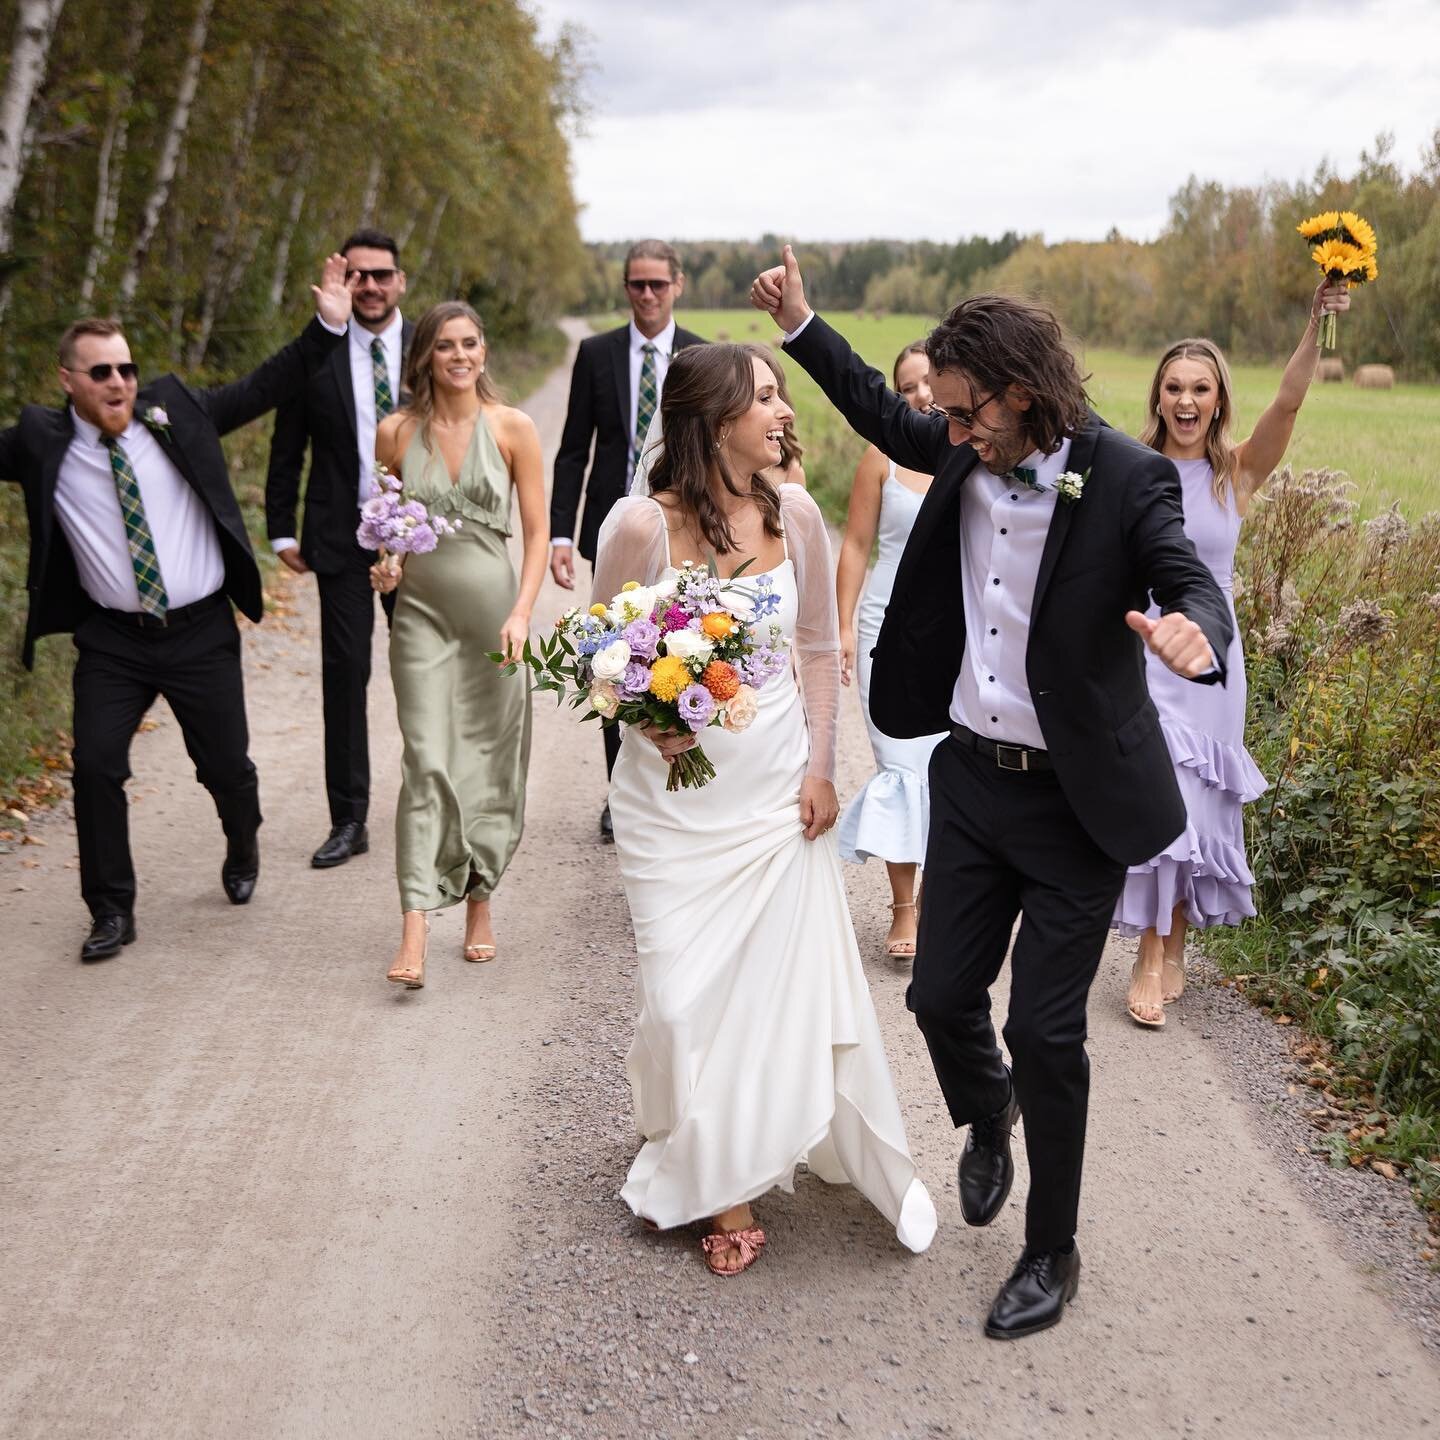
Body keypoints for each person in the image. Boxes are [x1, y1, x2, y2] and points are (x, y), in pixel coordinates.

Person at [752, 247, 1230, 1337]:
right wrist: (801, 322)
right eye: (948, 415)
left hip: (1076, 808)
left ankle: (1051, 1251)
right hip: (971, 778)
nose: (950, 431)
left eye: (966, 413)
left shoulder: (1125, 478)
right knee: (934, 998)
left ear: (1021, 397)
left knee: (1050, 1033)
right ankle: (986, 1112)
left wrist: (1195, 624)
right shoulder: (965, 448)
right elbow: (881, 408)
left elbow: (1184, 570)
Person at [593, 342, 936, 1277]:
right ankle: (701, 1144)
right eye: (767, 397)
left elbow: (821, 650)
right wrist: (642, 715)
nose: (785, 411)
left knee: (765, 994)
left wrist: (825, 764)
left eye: (783, 394)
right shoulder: (639, 525)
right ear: (713, 421)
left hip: (777, 790)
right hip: (670, 807)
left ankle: (726, 1183)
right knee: (676, 996)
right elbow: (600, 654)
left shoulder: (800, 515)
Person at [0, 256, 354, 962]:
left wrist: (327, 326)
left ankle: (242, 836)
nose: (118, 383)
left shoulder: (174, 410)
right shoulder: (43, 442)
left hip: (198, 630)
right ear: (67, 380)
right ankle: (110, 911)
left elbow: (261, 387)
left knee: (225, 765)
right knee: (97, 765)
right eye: (100, 372)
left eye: (125, 370)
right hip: (112, 639)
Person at [1115, 279, 1351, 1026]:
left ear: (1219, 400)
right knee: (1158, 796)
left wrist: (1314, 323)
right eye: (1175, 388)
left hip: (1213, 664)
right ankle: (1149, 957)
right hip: (1146, 654)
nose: (1187, 401)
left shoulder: (1235, 474)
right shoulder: (1127, 468)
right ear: (1158, 397)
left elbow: (1287, 404)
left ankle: (1172, 941)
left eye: (1201, 389)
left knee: (1197, 798)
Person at [369, 303, 546, 990]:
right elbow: (383, 529)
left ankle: (479, 902)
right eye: (445, 346)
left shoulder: (512, 428)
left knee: (489, 764)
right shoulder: (395, 432)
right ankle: (414, 920)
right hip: (418, 618)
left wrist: (524, 612)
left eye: (470, 343)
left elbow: (536, 532)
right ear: (426, 356)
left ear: (484, 351)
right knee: (426, 759)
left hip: (495, 619)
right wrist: (383, 564)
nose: (460, 356)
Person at [265, 228, 413, 870]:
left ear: (400, 281)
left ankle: (437, 801)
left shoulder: (432, 349)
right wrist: (280, 525)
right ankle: (348, 819)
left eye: (382, 274)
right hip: (341, 538)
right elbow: (286, 443)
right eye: (358, 276)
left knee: (426, 671)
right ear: (341, 282)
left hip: (420, 541)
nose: (371, 286)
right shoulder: (316, 353)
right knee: (345, 675)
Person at [550, 240, 706, 839]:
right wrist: (562, 533)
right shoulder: (596, 354)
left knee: (680, 654)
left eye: (657, 285)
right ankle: (622, 791)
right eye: (636, 285)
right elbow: (573, 449)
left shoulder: (703, 354)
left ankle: (684, 774)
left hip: (683, 535)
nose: (646, 295)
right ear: (625, 288)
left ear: (678, 285)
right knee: (616, 657)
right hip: (613, 536)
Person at [835, 341, 946, 958]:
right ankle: (904, 910)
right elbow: (854, 545)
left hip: (949, 636)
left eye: (930, 381)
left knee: (943, 770)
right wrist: (846, 625)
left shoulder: (972, 454)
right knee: (900, 767)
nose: (921, 394)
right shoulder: (880, 457)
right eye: (907, 387)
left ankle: (936, 904)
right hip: (884, 626)